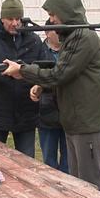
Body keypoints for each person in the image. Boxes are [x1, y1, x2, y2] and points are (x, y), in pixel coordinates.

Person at [2, 0, 100, 191]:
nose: (50, 21)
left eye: (52, 15)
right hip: (75, 120)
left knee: (91, 187)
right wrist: (41, 84)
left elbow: (60, 74)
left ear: (65, 13)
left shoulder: (83, 37)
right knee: (79, 185)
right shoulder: (73, 37)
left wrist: (23, 70)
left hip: (86, 123)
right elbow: (63, 73)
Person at [0, 0, 50, 157]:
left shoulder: (34, 40)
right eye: (10, 18)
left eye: (18, 18)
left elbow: (44, 67)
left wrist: (26, 74)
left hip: (26, 113)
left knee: (26, 163)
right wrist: (10, 71)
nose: (15, 23)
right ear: (2, 18)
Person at [31, 21, 68, 173]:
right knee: (49, 160)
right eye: (55, 31)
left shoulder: (70, 50)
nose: (59, 34)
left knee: (68, 159)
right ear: (46, 33)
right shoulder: (38, 51)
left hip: (67, 111)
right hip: (46, 112)